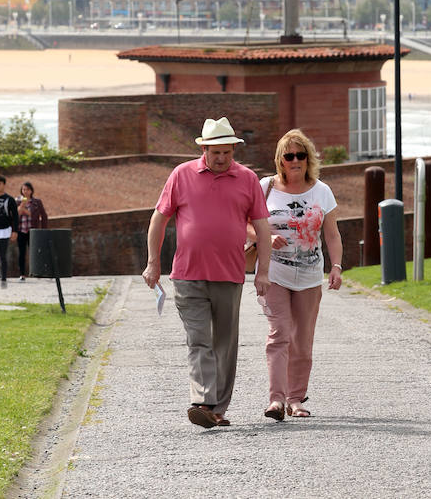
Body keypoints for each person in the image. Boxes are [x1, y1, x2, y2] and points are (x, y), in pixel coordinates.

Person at [142, 116, 271, 429]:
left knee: (225, 343)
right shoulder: (181, 175)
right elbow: (159, 220)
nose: (222, 158)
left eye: (227, 152)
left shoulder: (247, 179)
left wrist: (262, 272)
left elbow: (263, 229)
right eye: (216, 152)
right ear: (204, 148)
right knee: (199, 339)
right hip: (187, 275)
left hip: (229, 274)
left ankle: (217, 409)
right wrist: (153, 263)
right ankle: (201, 400)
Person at [253, 128, 343, 421]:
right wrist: (264, 236)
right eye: (289, 155)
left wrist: (337, 267)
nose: (295, 160)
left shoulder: (322, 191)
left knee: (302, 341)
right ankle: (276, 400)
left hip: (308, 276)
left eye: (301, 155)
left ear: (308, 159)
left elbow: (332, 235)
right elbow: (243, 220)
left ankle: (296, 399)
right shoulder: (265, 186)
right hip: (273, 273)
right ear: (280, 159)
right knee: (278, 335)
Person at [15, 181, 48, 281]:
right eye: (23, 189)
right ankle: (22, 274)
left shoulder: (37, 202)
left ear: (31, 191)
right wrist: (22, 206)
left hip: (32, 230)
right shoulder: (17, 201)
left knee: (34, 252)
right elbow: (15, 215)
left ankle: (37, 272)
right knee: (21, 252)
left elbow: (42, 216)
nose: (25, 192)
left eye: (27, 189)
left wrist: (43, 229)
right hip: (21, 230)